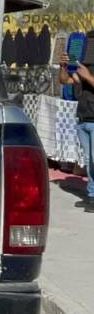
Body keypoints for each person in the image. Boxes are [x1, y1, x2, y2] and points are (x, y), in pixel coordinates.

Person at [57, 56, 94, 211]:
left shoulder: (87, 72)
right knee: (89, 160)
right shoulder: (84, 68)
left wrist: (88, 76)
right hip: (83, 119)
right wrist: (63, 67)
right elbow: (64, 80)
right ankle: (92, 196)